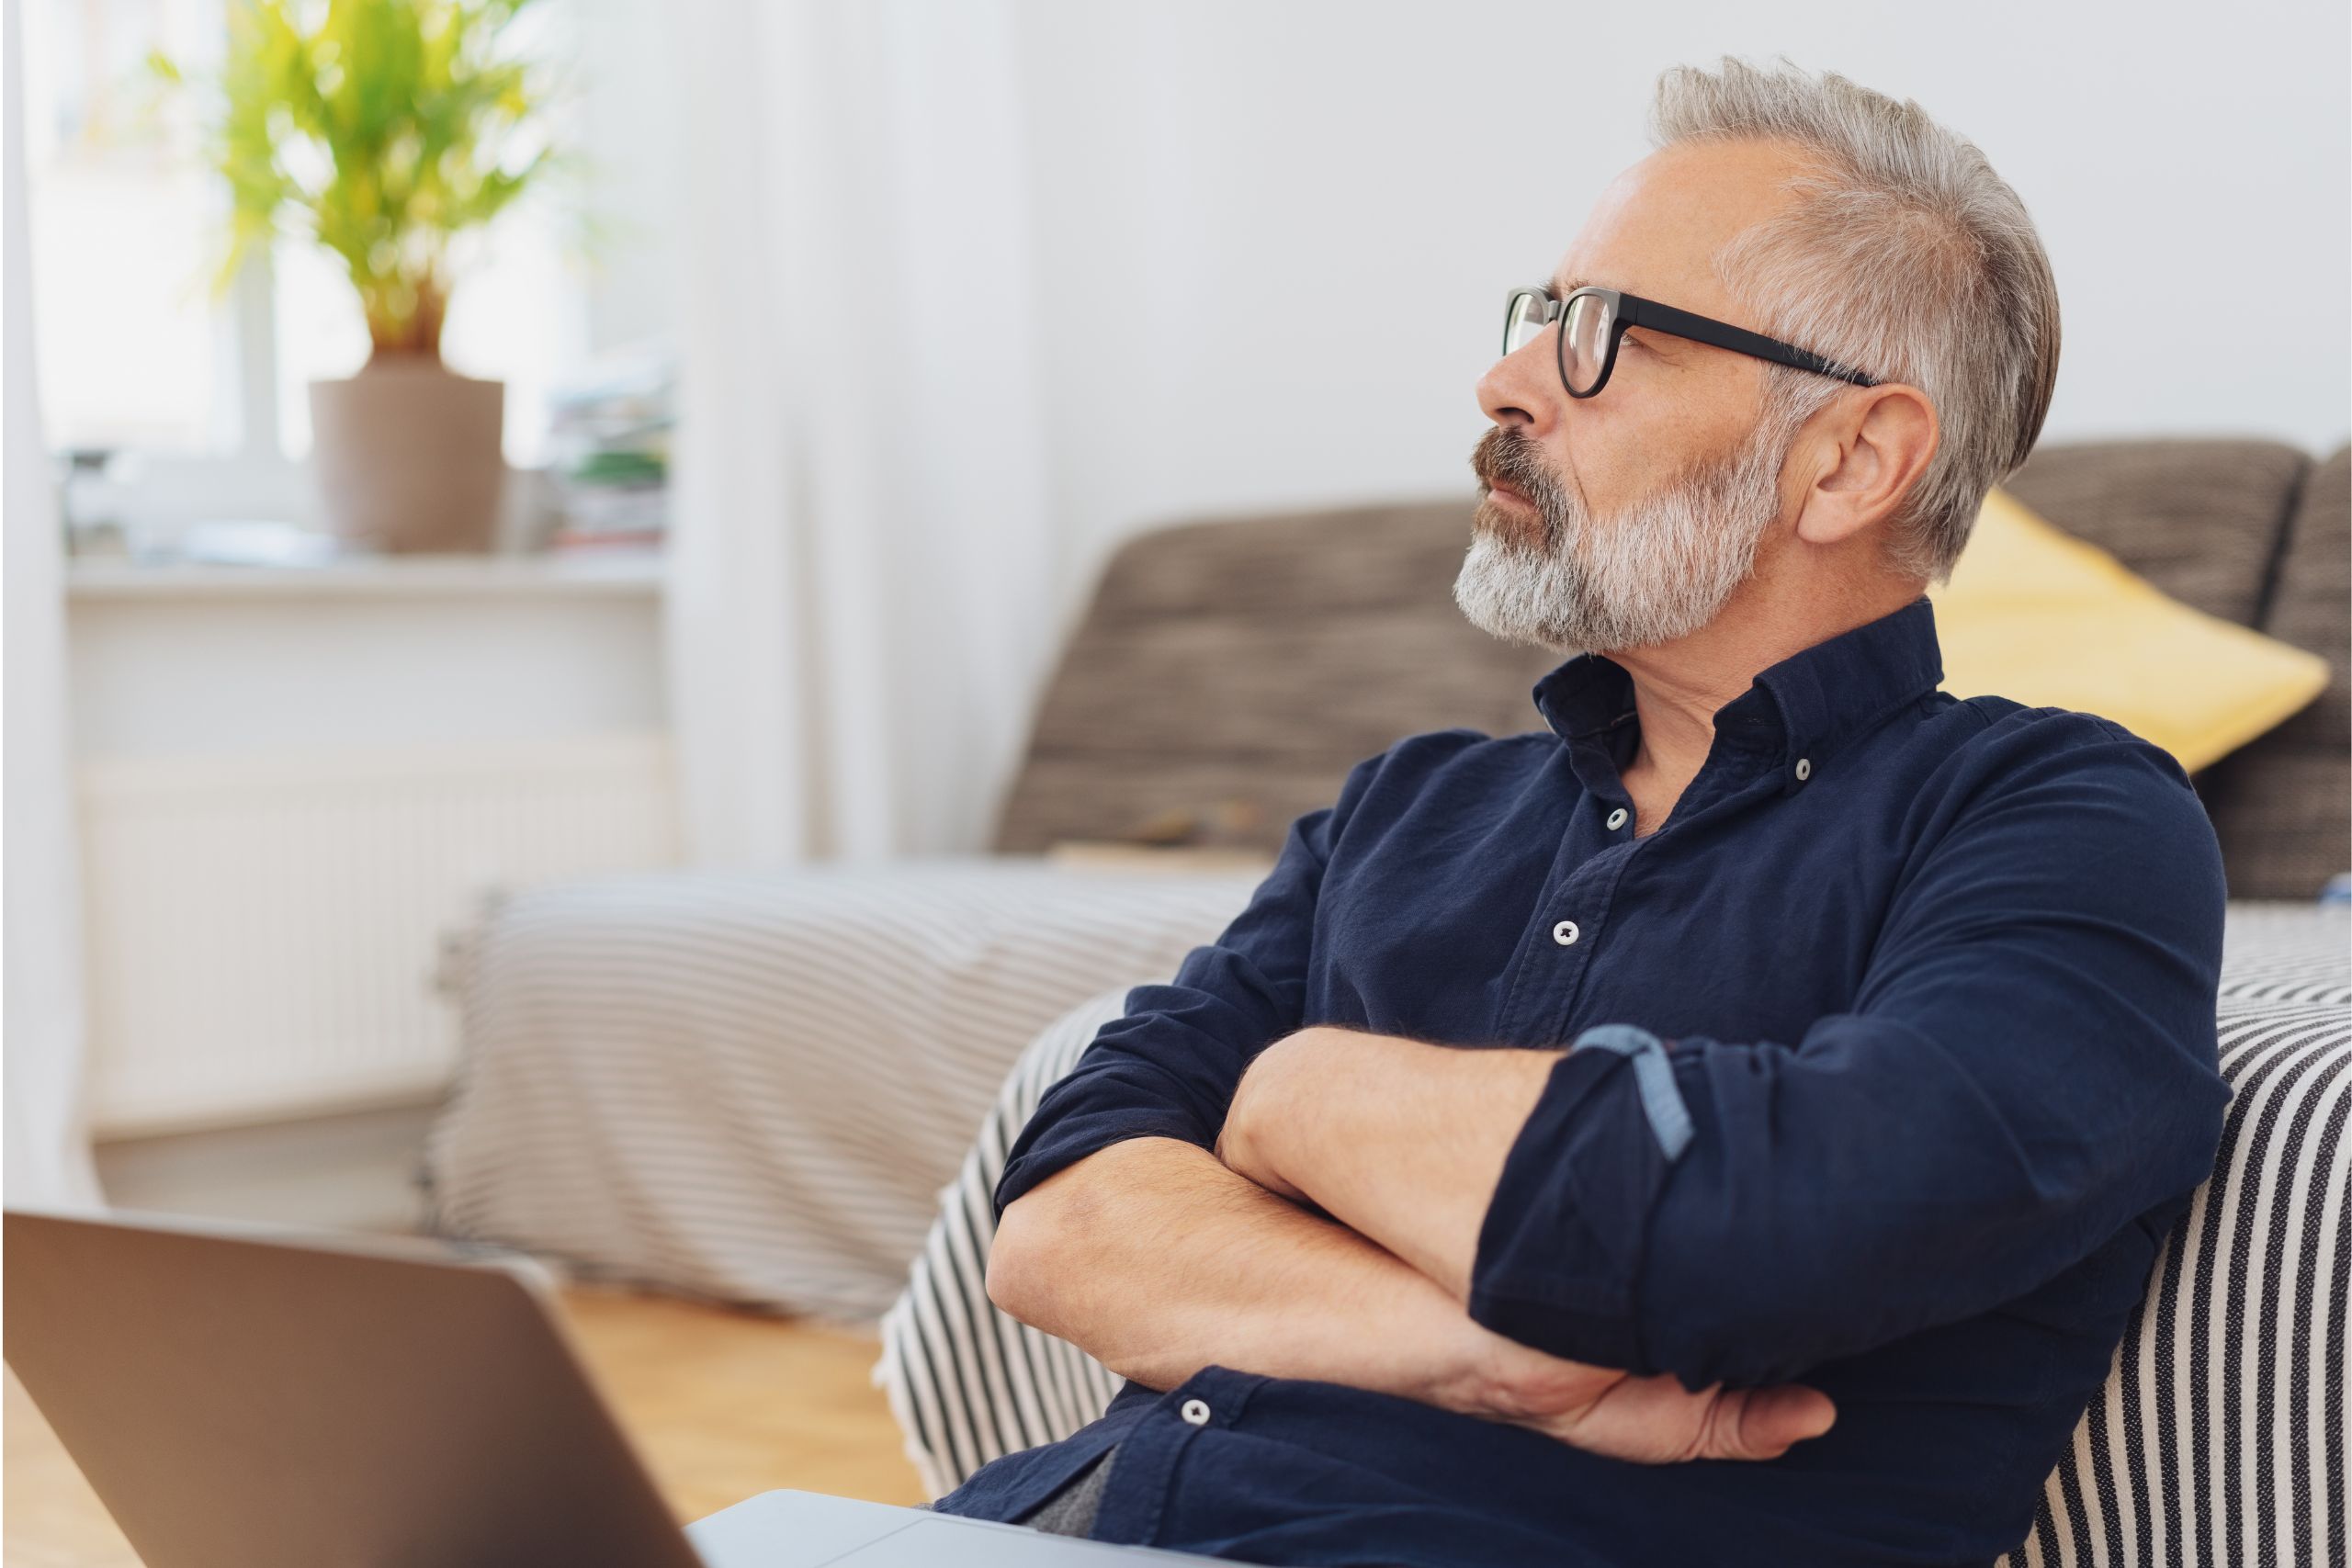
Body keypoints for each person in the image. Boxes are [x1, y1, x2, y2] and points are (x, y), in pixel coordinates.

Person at [928, 53, 2229, 1568]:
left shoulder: (2058, 818)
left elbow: (1786, 1225)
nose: (1509, 381)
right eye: (1539, 316)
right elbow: (1062, 1224)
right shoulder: (1408, 808)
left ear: (1851, 459)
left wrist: (1299, 1096)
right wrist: (1481, 1351)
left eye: (1605, 332)